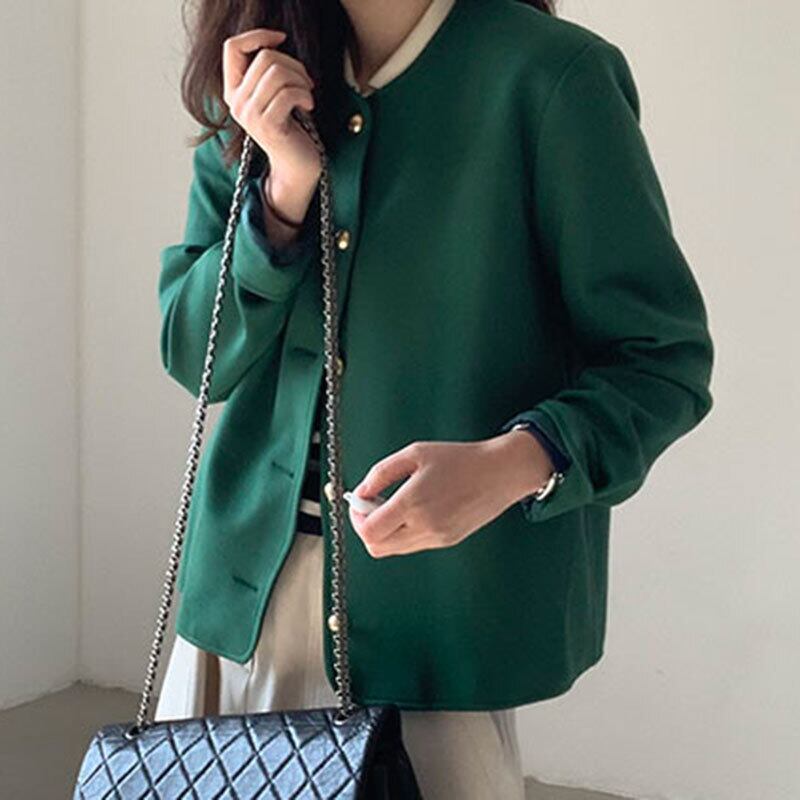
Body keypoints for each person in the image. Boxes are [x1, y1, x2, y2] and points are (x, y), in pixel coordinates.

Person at [153, 0, 715, 796]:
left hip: (437, 625)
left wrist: (513, 463)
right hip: (240, 611)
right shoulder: (257, 70)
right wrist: (282, 195)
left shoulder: (552, 79)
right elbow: (195, 357)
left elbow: (662, 361)